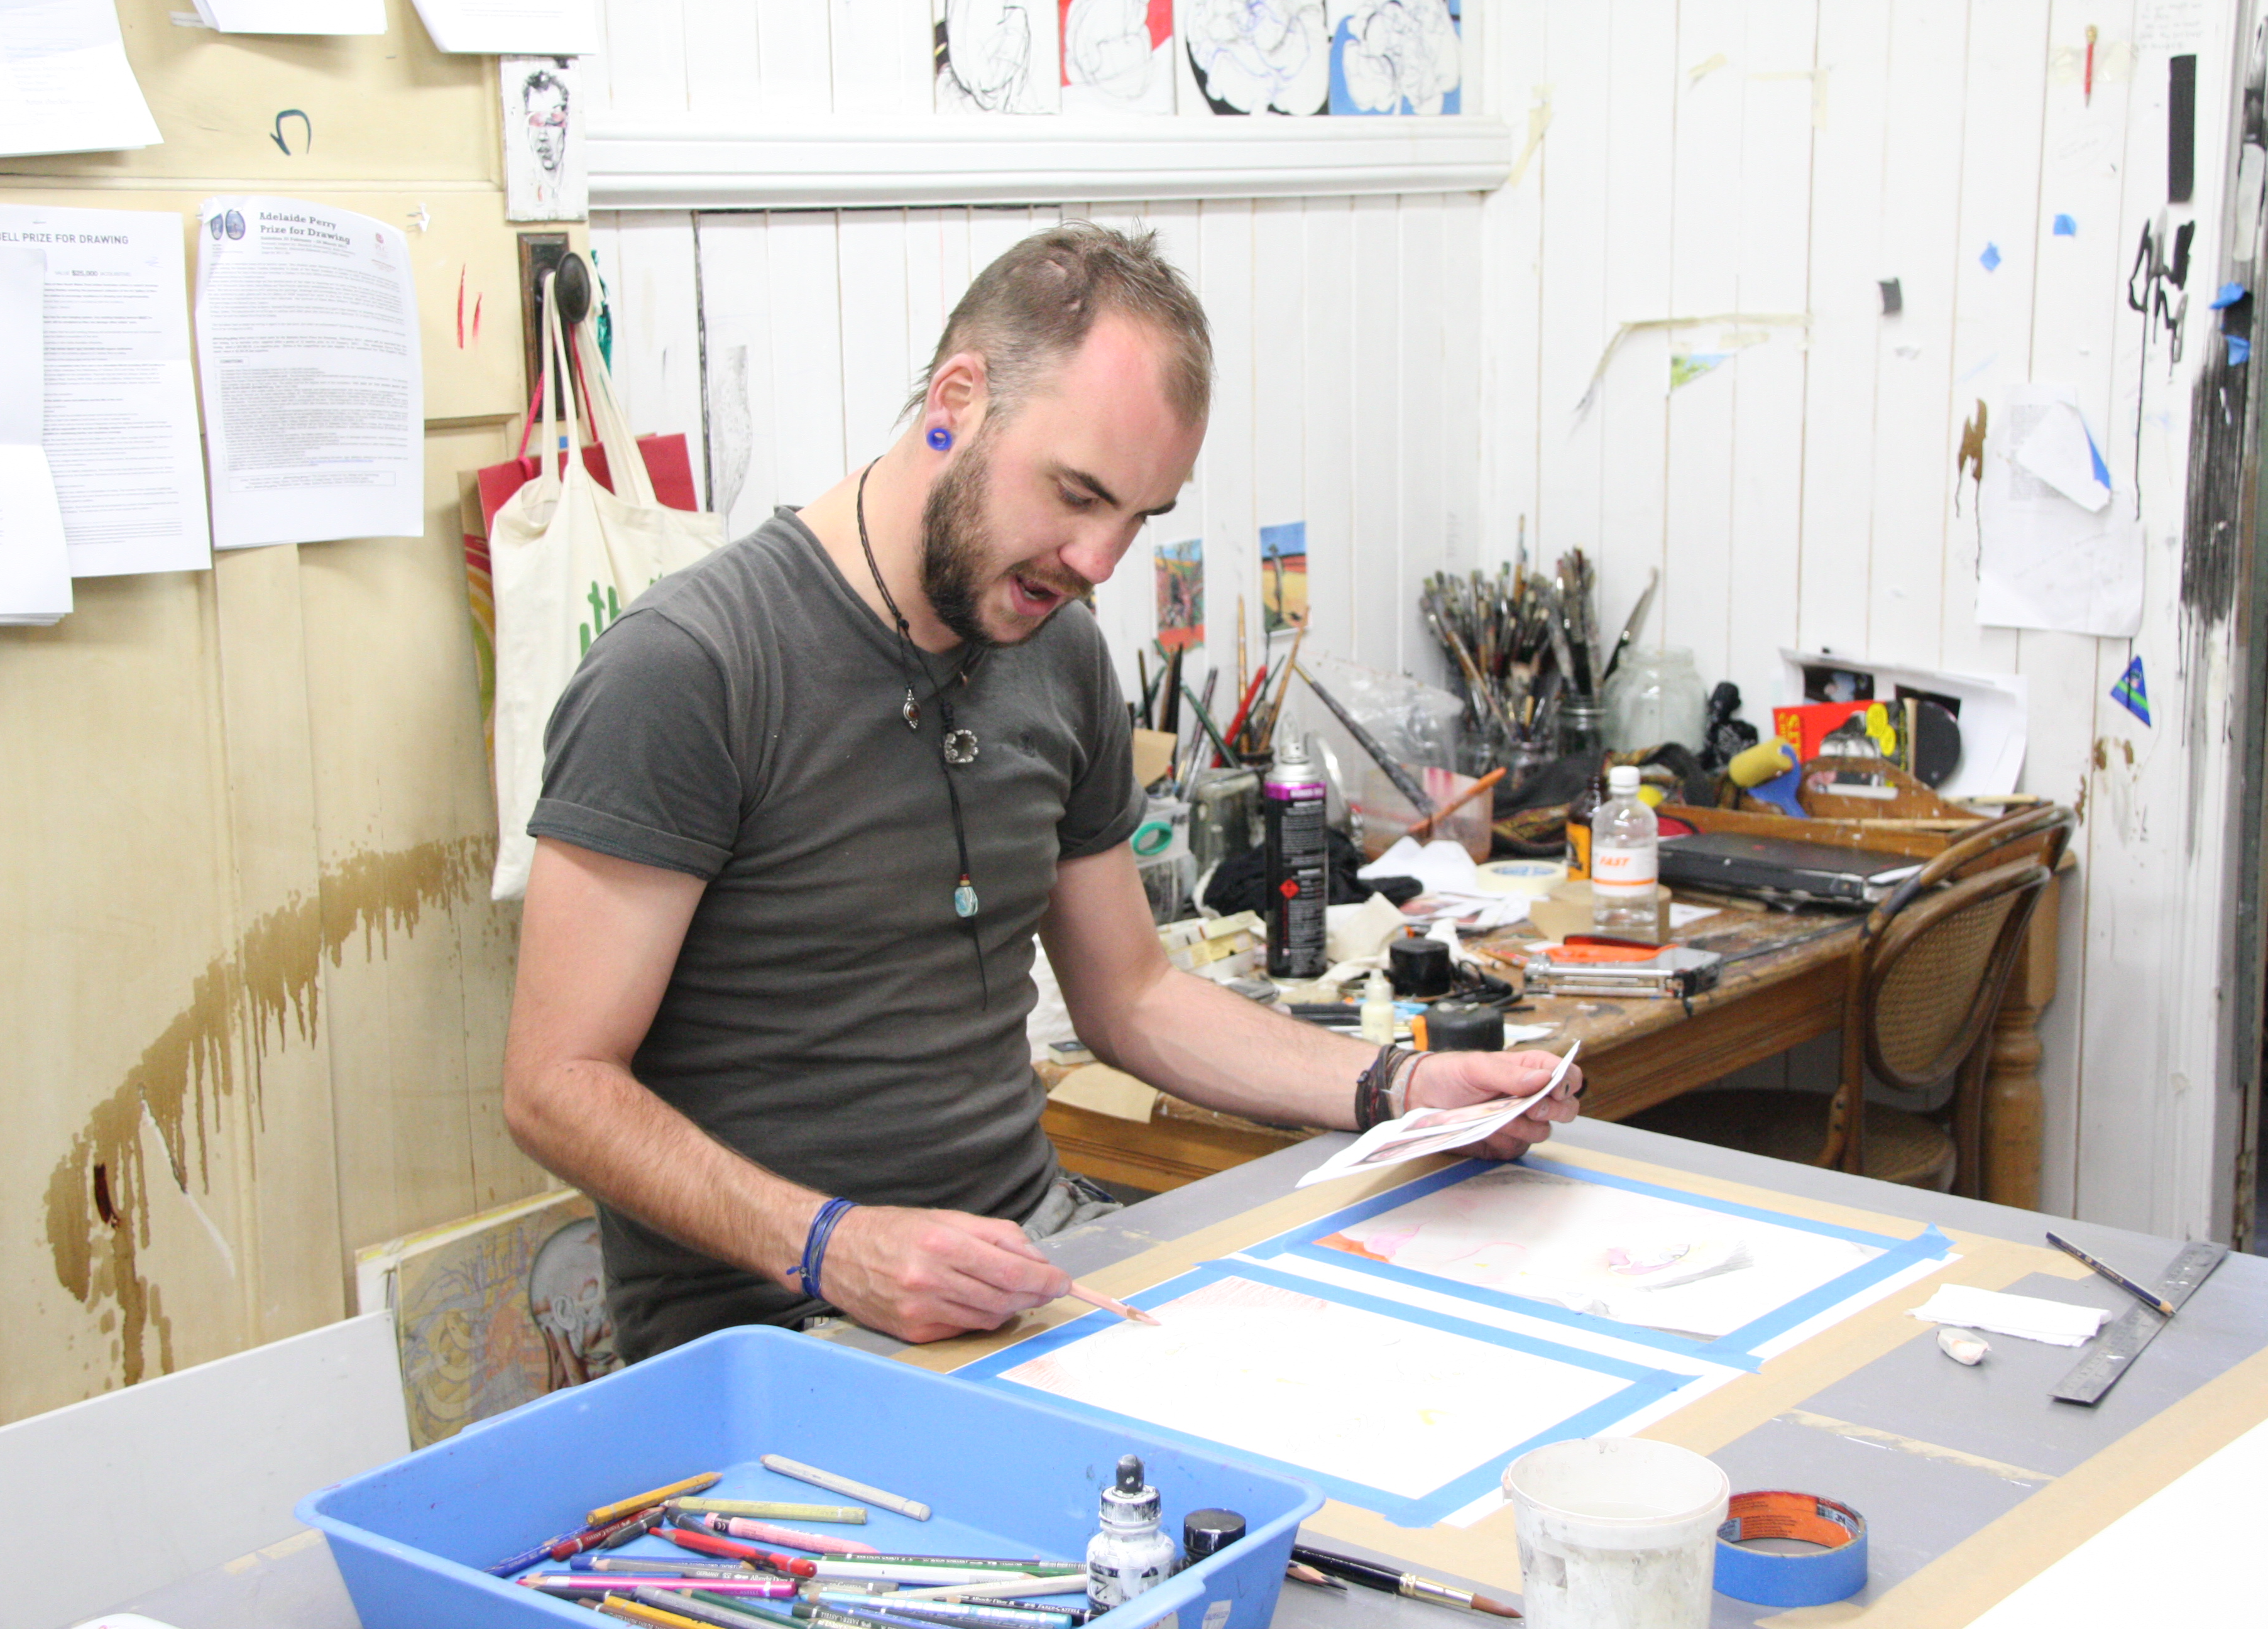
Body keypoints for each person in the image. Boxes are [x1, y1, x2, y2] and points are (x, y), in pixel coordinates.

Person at [501, 224, 1580, 1363]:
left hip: (1036, 1275)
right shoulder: (689, 669)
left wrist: (1402, 1084)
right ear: (956, 403)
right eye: (1076, 494)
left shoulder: (1056, 650)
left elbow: (1133, 996)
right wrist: (831, 1246)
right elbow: (554, 1085)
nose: (1098, 562)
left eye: (1138, 518)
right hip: (783, 1330)